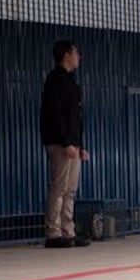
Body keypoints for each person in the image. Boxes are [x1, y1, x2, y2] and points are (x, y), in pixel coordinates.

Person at [40, 40, 91, 248]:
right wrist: (66, 142)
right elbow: (56, 115)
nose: (79, 57)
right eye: (76, 53)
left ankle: (68, 231)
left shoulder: (72, 83)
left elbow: (76, 118)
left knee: (71, 189)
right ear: (66, 55)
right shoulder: (55, 81)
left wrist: (80, 145)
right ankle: (53, 233)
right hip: (61, 144)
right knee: (59, 187)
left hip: (72, 145)